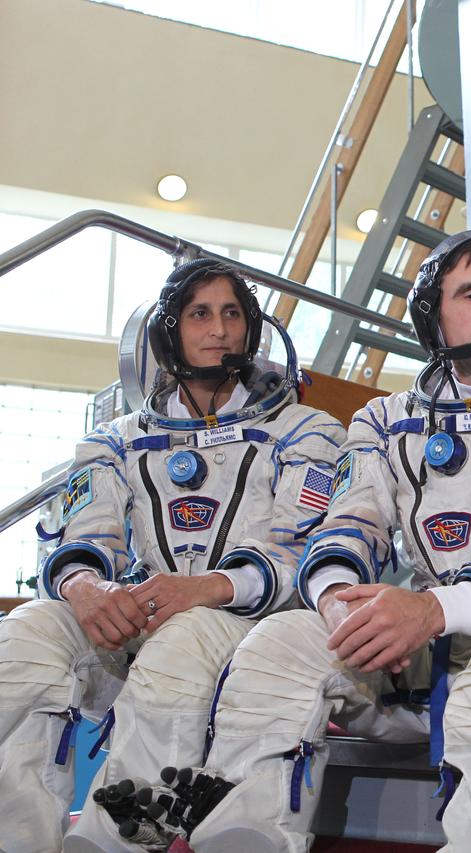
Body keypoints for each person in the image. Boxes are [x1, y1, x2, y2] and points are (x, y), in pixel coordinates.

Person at [122, 231, 471, 853]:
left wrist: (436, 609)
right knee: (281, 640)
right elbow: (347, 524)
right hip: (416, 640)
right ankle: (243, 832)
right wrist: (338, 600)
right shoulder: (384, 421)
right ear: (434, 319)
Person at [0, 259, 345, 853]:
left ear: (252, 328)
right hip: (142, 612)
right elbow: (86, 534)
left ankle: (116, 840)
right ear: (170, 330)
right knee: (25, 635)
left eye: (232, 314)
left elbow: (304, 552)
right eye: (200, 314)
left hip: (245, 625)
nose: (219, 330)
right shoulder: (116, 439)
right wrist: (87, 588)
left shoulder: (306, 430)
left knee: (180, 643)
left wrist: (204, 588)